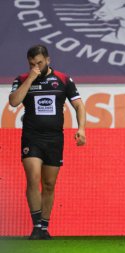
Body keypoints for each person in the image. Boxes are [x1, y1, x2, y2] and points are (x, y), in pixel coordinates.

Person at [9, 45, 86, 240]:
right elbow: (14, 102)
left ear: (48, 60)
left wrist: (81, 128)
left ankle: (44, 226)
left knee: (49, 184)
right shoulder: (21, 79)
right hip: (32, 136)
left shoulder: (62, 79)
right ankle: (36, 227)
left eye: (40, 63)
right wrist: (31, 79)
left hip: (54, 139)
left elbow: (78, 105)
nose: (36, 66)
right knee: (33, 178)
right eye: (32, 64)